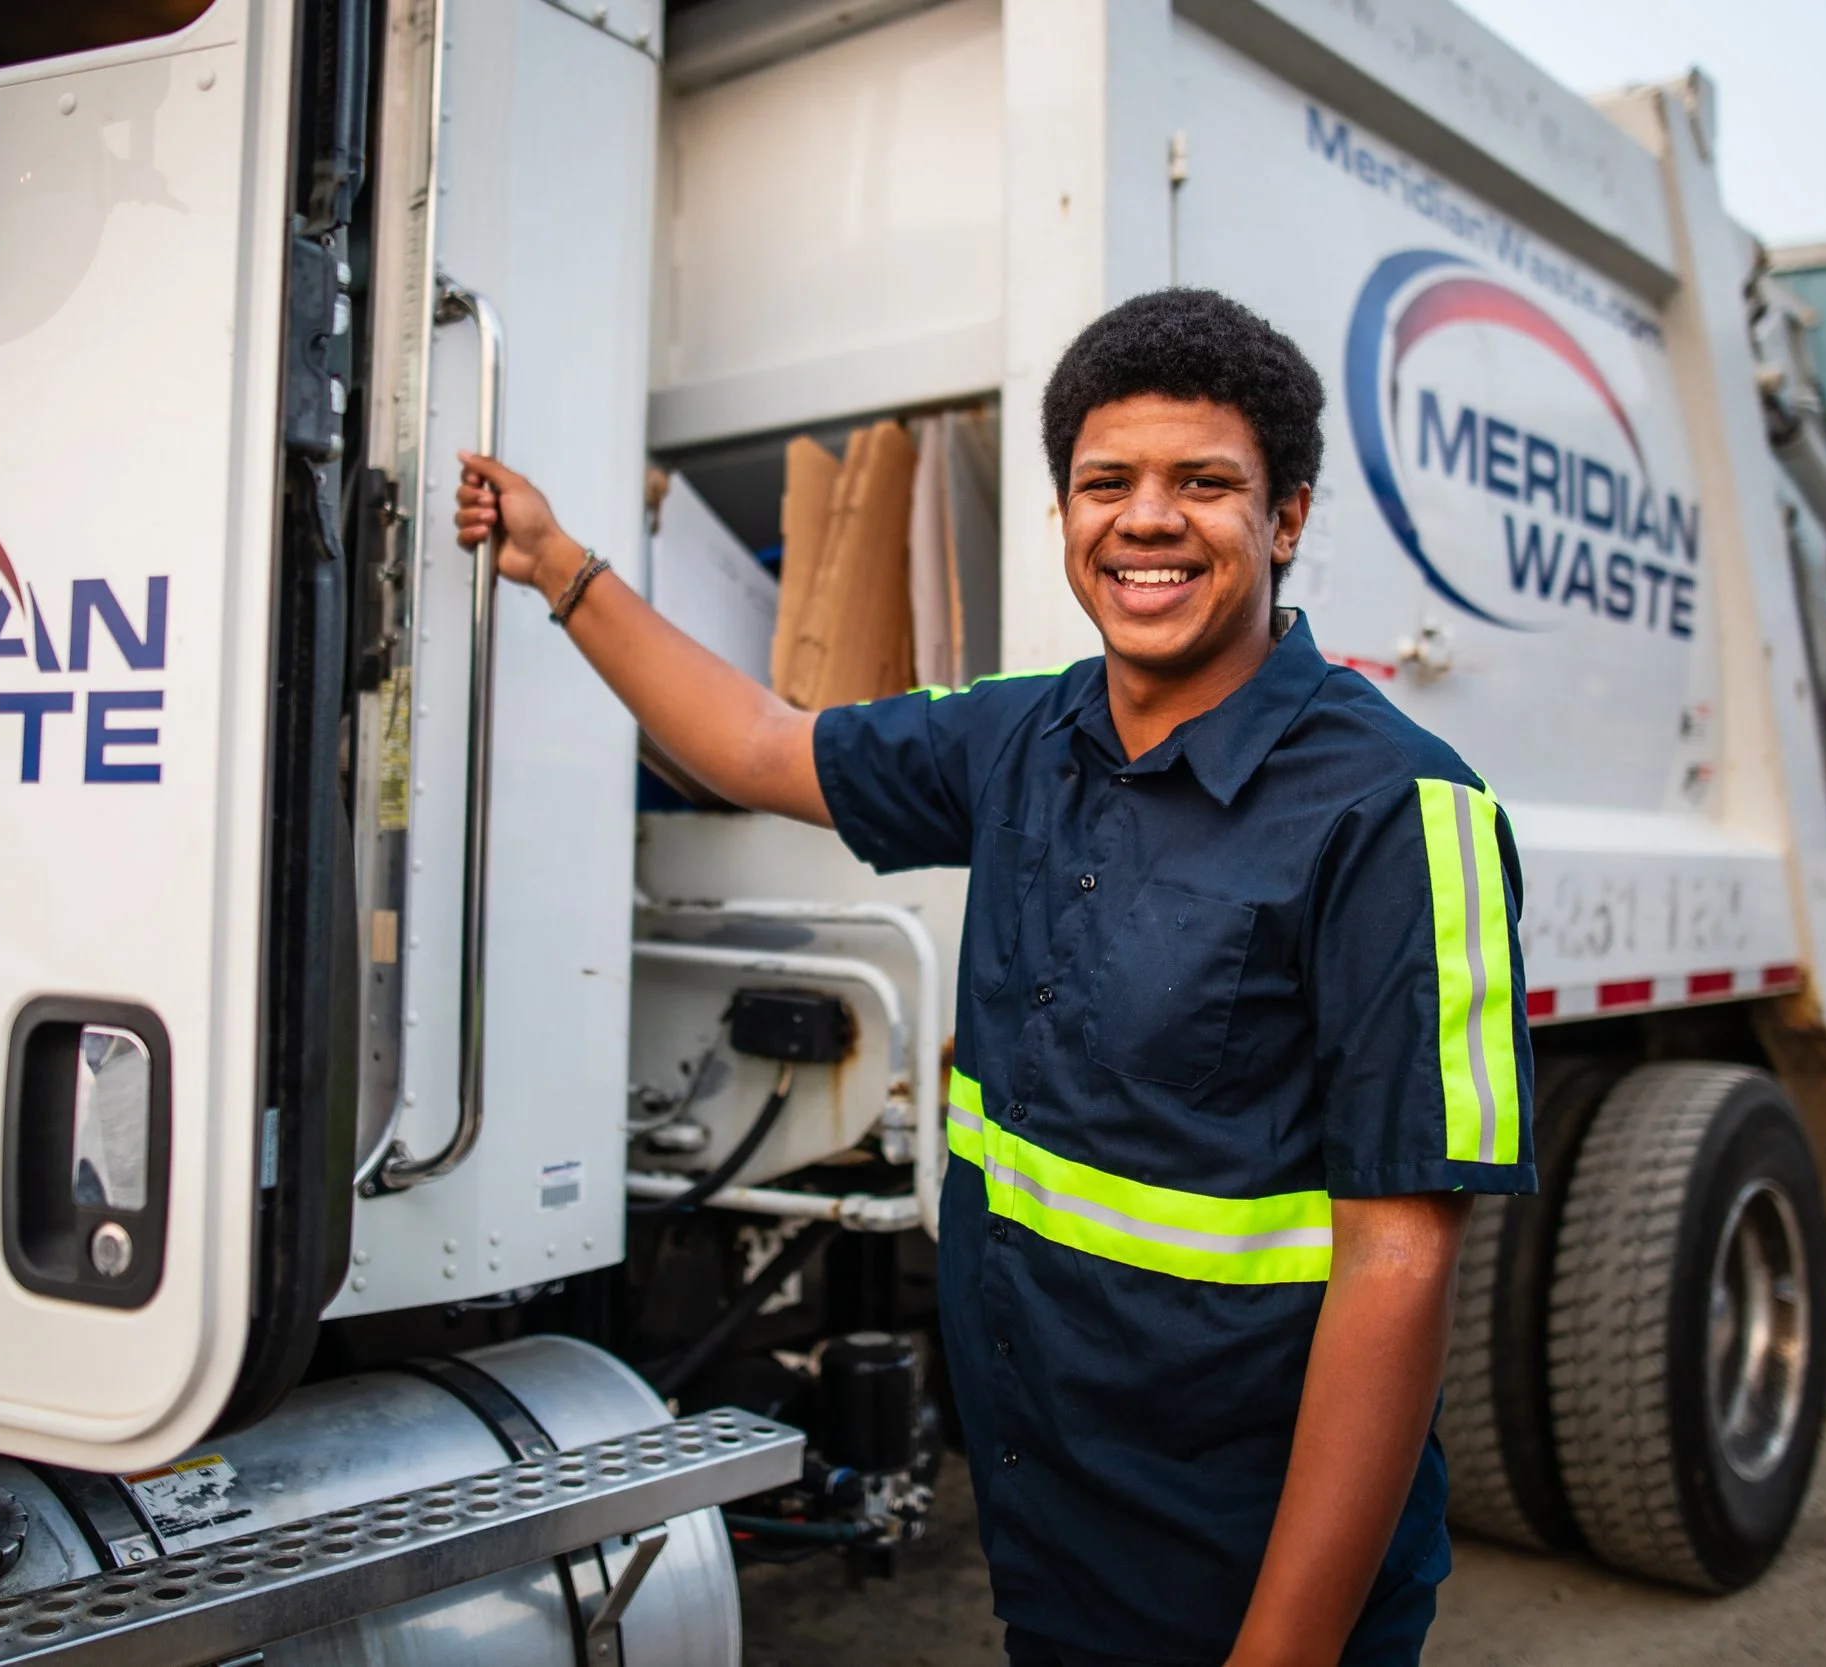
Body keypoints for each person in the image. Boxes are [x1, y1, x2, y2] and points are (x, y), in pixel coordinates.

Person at [456, 287, 1535, 1667]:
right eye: (1107, 483)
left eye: (1205, 481)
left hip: (1253, 1567)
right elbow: (756, 745)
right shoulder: (1025, 735)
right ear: (1065, 514)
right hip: (1052, 1528)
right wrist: (562, 569)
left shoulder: (1395, 808)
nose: (1147, 518)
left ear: (1288, 518)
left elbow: (1400, 1260)